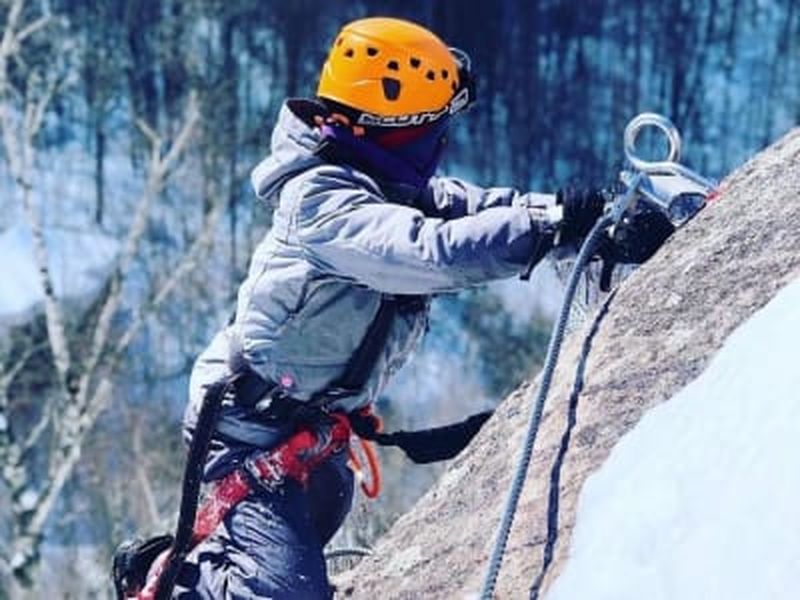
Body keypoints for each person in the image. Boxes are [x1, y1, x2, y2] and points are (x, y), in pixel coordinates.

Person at [169, 16, 654, 600]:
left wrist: (577, 218)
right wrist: (546, 225)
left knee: (303, 544)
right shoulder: (323, 203)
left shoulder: (383, 185)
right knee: (284, 590)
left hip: (306, 426)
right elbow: (429, 251)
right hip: (244, 431)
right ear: (403, 129)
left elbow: (470, 210)